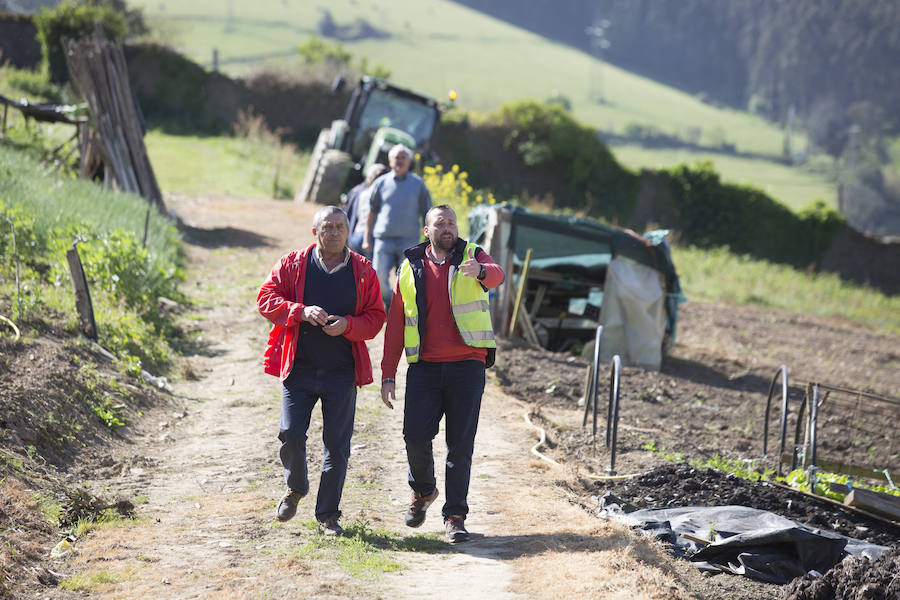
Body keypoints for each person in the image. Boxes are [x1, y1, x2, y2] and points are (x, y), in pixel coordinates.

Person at [379, 204, 504, 543]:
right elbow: (395, 323)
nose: (447, 227)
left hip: (467, 364)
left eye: (452, 222)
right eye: (440, 223)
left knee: (459, 445)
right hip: (425, 367)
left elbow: (496, 274)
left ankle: (455, 516)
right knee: (414, 436)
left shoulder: (472, 254)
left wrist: (479, 270)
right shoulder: (409, 266)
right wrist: (388, 372)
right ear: (427, 231)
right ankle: (423, 491)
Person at [257, 206, 386, 536]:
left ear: (348, 231)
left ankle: (328, 516)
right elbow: (265, 299)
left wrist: (347, 325)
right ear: (315, 232)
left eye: (340, 226)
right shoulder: (294, 264)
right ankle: (295, 487)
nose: (334, 232)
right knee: (290, 434)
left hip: (342, 372)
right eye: (327, 227)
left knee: (337, 446)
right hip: (298, 369)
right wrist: (299, 311)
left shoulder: (363, 271)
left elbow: (375, 317)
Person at [362, 144, 432, 311]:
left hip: (409, 241)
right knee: (378, 276)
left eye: (403, 157)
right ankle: (386, 305)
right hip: (383, 239)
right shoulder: (380, 183)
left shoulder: (418, 184)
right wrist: (367, 238)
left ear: (409, 161)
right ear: (390, 161)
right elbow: (371, 212)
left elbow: (427, 212)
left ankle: (403, 308)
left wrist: (429, 239)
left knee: (408, 278)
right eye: (396, 158)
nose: (399, 161)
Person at [344, 163, 388, 260]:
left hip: (355, 235)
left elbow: (348, 214)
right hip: (371, 238)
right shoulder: (383, 195)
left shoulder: (358, 192)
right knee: (369, 272)